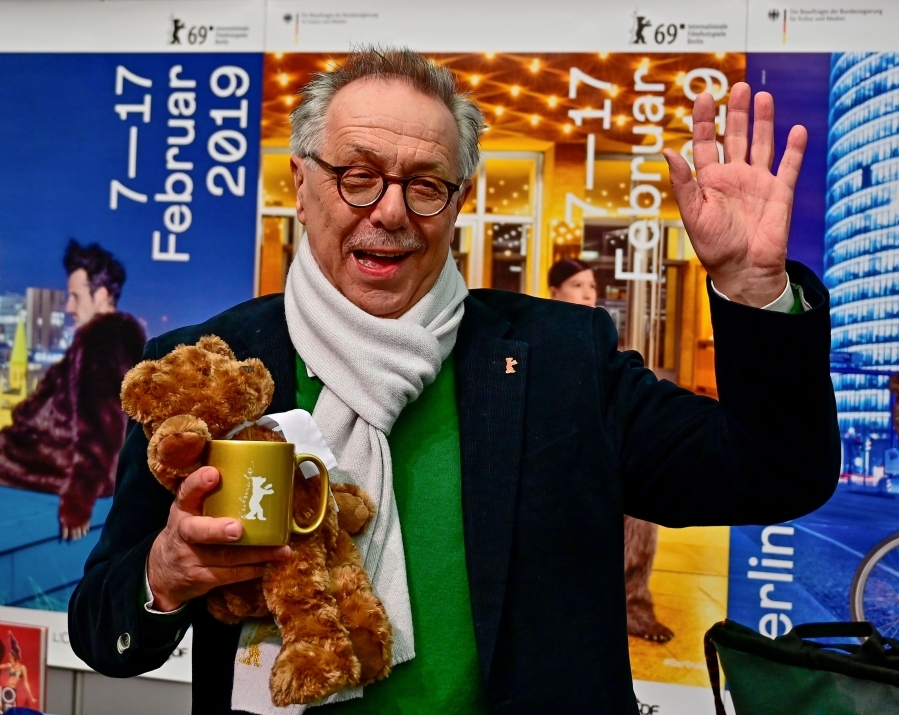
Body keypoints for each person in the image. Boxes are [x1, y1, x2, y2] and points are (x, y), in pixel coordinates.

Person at [69, 48, 838, 714]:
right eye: (358, 176)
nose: (391, 211)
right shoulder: (207, 368)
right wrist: (162, 574)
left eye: (425, 184)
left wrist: (751, 288)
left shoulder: (564, 359)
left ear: (458, 203)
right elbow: (105, 630)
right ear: (302, 185)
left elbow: (772, 472)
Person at [548, 258, 673, 643]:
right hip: (552, 456)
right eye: (577, 285)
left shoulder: (602, 342)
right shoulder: (535, 334)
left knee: (640, 499)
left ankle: (634, 604)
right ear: (554, 292)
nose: (588, 293)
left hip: (597, 451)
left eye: (591, 286)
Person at [0, 241, 145, 540]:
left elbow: (102, 426)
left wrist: (77, 502)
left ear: (102, 295)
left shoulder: (102, 340)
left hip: (46, 468)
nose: (68, 307)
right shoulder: (113, 339)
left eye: (76, 297)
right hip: (45, 463)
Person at [0, 632, 39, 709]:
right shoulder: (9, 665)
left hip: (12, 689)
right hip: (4, 688)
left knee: (11, 708)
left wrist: (31, 697)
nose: (9, 659)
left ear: (15, 657)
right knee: (1, 707)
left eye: (11, 657)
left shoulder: (22, 668)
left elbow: (26, 683)